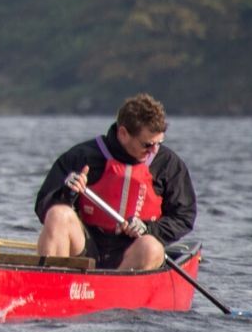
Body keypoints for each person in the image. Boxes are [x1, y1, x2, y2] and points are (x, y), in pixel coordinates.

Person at [34, 93, 196, 272]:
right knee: (58, 214)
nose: (154, 151)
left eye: (159, 143)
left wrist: (148, 229)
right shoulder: (82, 156)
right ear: (123, 134)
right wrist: (68, 193)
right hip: (87, 246)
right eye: (147, 145)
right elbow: (43, 206)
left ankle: (114, 286)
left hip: (134, 252)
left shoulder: (168, 164)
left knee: (152, 247)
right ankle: (53, 282)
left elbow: (184, 217)